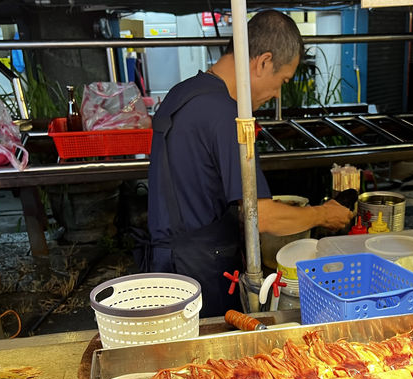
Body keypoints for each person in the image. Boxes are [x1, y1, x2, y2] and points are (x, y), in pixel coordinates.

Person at [147, 10, 354, 318]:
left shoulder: (182, 93)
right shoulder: (225, 115)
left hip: (167, 264)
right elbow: (263, 217)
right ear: (263, 62)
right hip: (202, 274)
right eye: (281, 80)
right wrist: (323, 214)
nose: (276, 94)